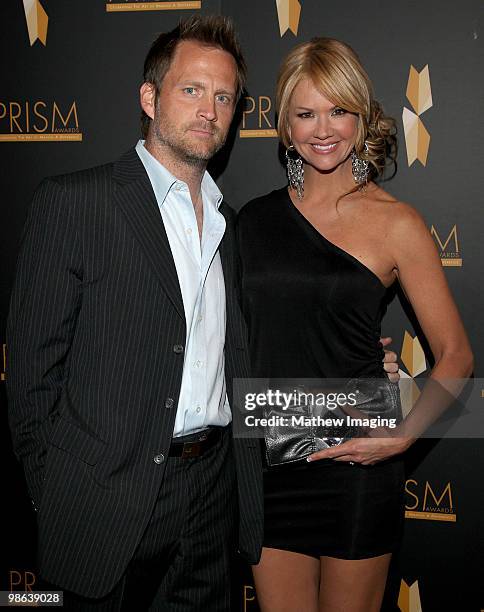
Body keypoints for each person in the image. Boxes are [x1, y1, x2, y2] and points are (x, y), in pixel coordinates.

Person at [6, 15, 266, 611]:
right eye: (192, 90)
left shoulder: (231, 225)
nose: (210, 110)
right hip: (107, 496)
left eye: (224, 96)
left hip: (211, 493)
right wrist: (59, 492)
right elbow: (31, 374)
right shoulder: (76, 203)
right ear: (150, 97)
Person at [236, 38, 473, 612]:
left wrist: (401, 436)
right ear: (284, 126)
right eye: (306, 112)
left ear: (362, 118)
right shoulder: (251, 221)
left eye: (339, 110)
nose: (324, 128)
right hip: (268, 460)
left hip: (356, 462)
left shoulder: (397, 223)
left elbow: (456, 356)